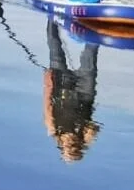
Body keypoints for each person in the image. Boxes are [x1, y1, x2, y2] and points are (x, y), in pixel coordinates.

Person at [43, 19, 100, 163]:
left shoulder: (53, 129)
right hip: (84, 93)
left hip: (62, 89)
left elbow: (48, 105)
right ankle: (95, 22)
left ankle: (52, 17)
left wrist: (48, 83)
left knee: (54, 45)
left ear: (61, 144)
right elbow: (96, 127)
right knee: (91, 53)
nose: (70, 143)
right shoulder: (85, 134)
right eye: (75, 147)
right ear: (80, 146)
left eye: (67, 147)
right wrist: (88, 139)